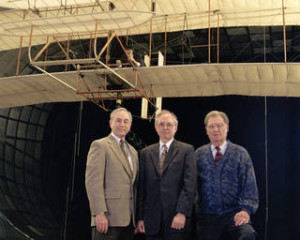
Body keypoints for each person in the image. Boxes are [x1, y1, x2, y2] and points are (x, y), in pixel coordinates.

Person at [195, 110, 259, 240]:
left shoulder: (241, 153)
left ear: (227, 127)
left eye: (220, 125)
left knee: (247, 234)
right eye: (212, 126)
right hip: (208, 217)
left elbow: (249, 185)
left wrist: (245, 210)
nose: (216, 129)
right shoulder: (198, 155)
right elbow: (191, 186)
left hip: (234, 214)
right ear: (206, 130)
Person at [137, 110, 196, 240]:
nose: (165, 128)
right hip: (151, 221)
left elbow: (190, 185)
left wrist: (182, 213)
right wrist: (140, 218)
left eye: (169, 124)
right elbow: (141, 188)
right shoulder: (145, 153)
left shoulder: (187, 150)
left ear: (176, 128)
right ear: (156, 127)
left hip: (177, 220)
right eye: (161, 124)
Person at [85, 107, 138, 240]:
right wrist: (99, 213)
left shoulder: (134, 152)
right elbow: (93, 182)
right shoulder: (100, 145)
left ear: (130, 125)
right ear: (110, 123)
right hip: (107, 219)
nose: (122, 124)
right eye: (118, 120)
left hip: (129, 222)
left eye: (126, 121)